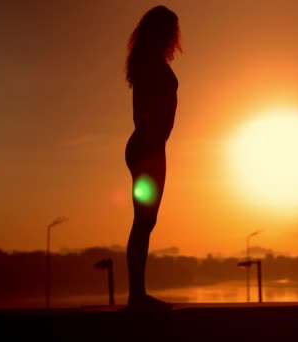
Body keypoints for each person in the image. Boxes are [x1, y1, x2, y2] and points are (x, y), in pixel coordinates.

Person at [124, 5, 181, 311]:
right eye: (171, 29)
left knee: (146, 221)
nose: (175, 36)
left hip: (150, 147)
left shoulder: (150, 61)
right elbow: (142, 113)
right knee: (143, 221)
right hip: (147, 149)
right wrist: (152, 143)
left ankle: (137, 294)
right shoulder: (149, 64)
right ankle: (137, 296)